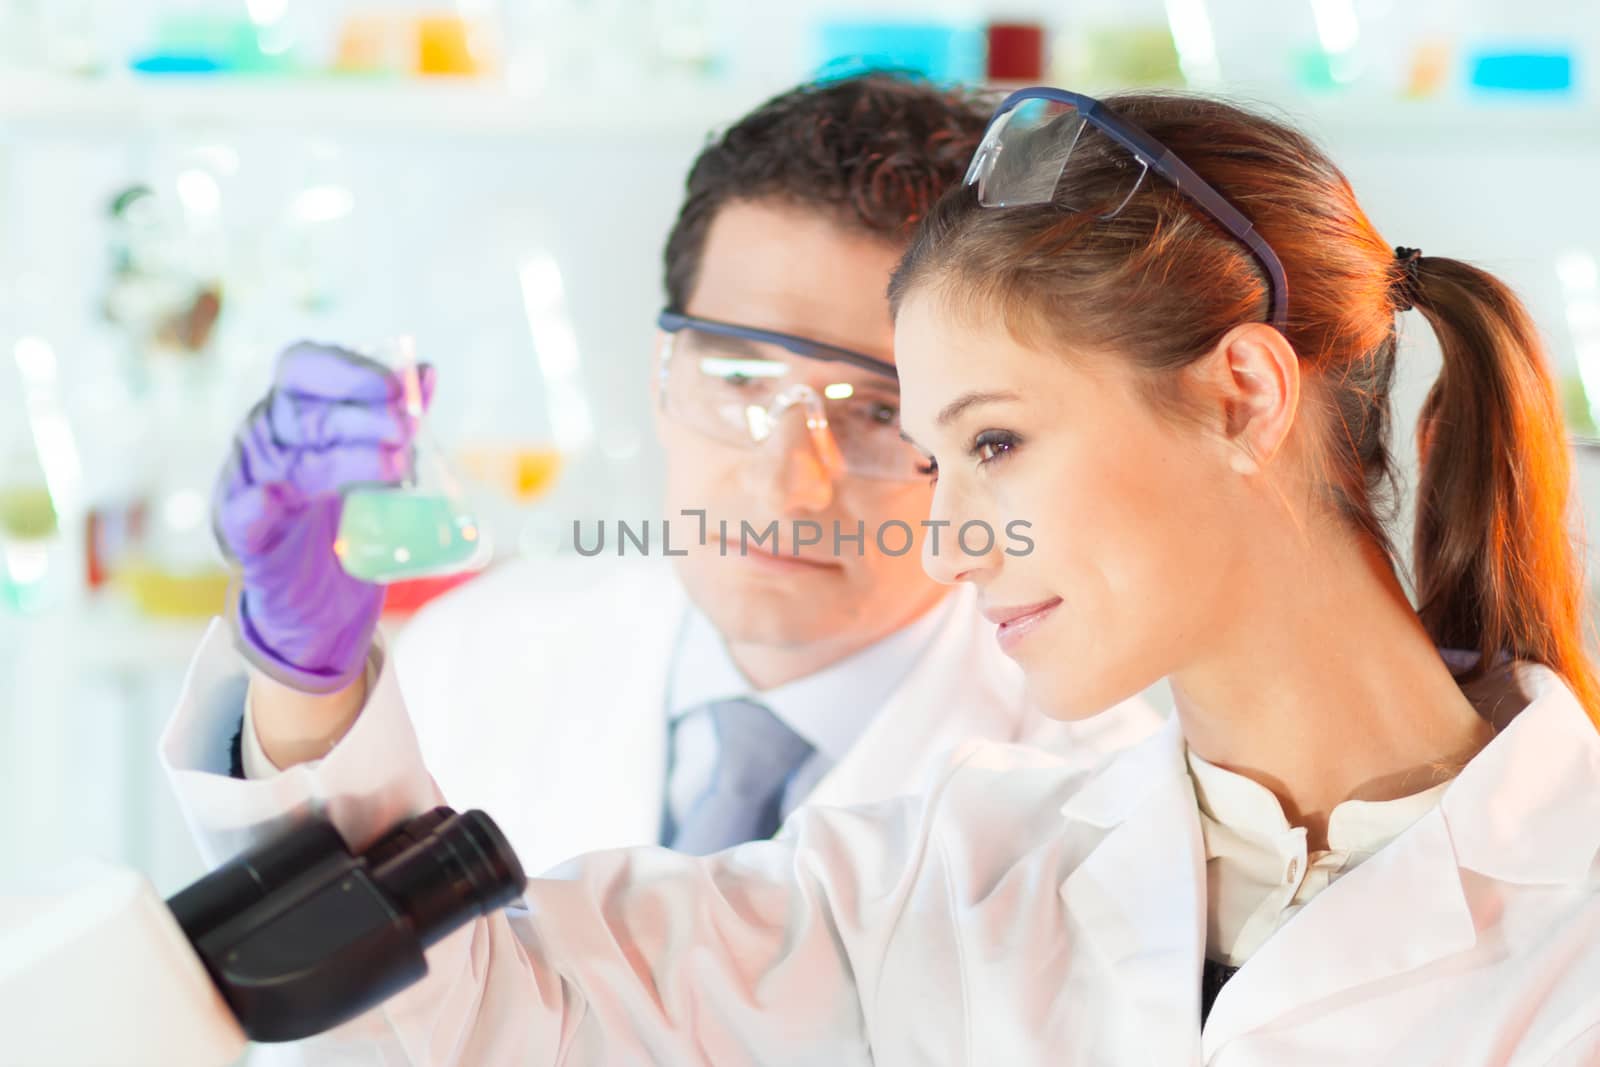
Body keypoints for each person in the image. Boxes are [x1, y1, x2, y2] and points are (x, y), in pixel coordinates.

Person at [167, 86, 1600, 1064]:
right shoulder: (950, 870)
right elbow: (489, 1015)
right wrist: (303, 680)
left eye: (990, 440)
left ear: (1240, 393)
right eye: (933, 453)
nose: (942, 529)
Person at [162, 75, 1155, 879]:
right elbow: (333, 996)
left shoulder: (1094, 793)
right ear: (658, 371)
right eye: (735, 378)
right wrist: (302, 687)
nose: (787, 486)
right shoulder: (483, 645)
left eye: (880, 409)